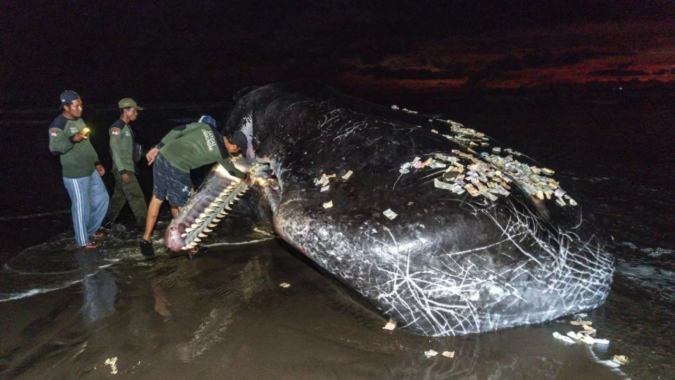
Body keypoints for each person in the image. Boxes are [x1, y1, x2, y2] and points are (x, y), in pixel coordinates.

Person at [140, 115, 248, 257]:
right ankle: (192, 249)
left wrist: (158, 147)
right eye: (237, 150)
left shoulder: (207, 127)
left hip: (163, 156)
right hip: (178, 168)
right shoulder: (221, 154)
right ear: (233, 146)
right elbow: (233, 171)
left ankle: (146, 239)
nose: (236, 152)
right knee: (185, 209)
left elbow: (179, 130)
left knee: (157, 198)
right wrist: (246, 177)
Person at [48, 90, 109, 248]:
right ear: (66, 107)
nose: (81, 108)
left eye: (81, 105)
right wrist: (71, 139)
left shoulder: (79, 120)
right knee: (81, 207)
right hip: (75, 174)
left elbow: (87, 145)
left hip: (90, 170)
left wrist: (97, 162)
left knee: (102, 199)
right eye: (77, 106)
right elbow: (55, 149)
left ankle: (90, 230)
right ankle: (82, 241)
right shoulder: (58, 125)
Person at [104, 98, 148, 229]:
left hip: (127, 167)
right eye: (134, 111)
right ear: (125, 110)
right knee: (137, 198)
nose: (136, 113)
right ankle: (147, 228)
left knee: (119, 199)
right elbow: (114, 149)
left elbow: (127, 150)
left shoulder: (127, 127)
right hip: (123, 169)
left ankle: (105, 223)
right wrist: (122, 171)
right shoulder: (117, 126)